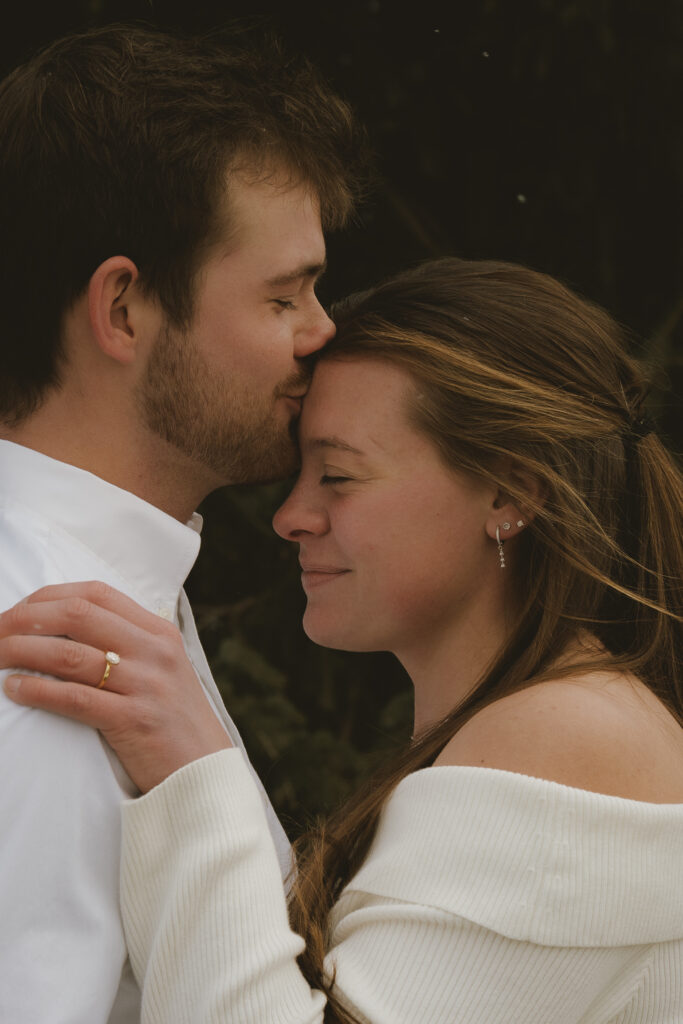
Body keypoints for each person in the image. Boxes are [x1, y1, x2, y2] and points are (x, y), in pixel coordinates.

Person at [2, 257, 682, 1023]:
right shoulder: (532, 723)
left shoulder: (570, 733)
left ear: (509, 493)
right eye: (302, 474)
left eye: (339, 477)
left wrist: (192, 768)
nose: (291, 516)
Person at [0, 22, 366, 1023]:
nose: (322, 333)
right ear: (123, 309)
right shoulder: (44, 659)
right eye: (283, 295)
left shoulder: (109, 593)